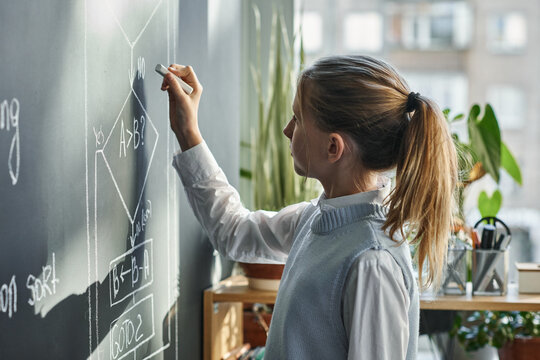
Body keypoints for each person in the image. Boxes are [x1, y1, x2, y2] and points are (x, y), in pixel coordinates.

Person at [160, 55, 457, 360]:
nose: (288, 130)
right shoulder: (315, 218)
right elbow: (234, 232)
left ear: (333, 147)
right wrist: (187, 132)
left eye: (298, 119)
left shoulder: (372, 263)